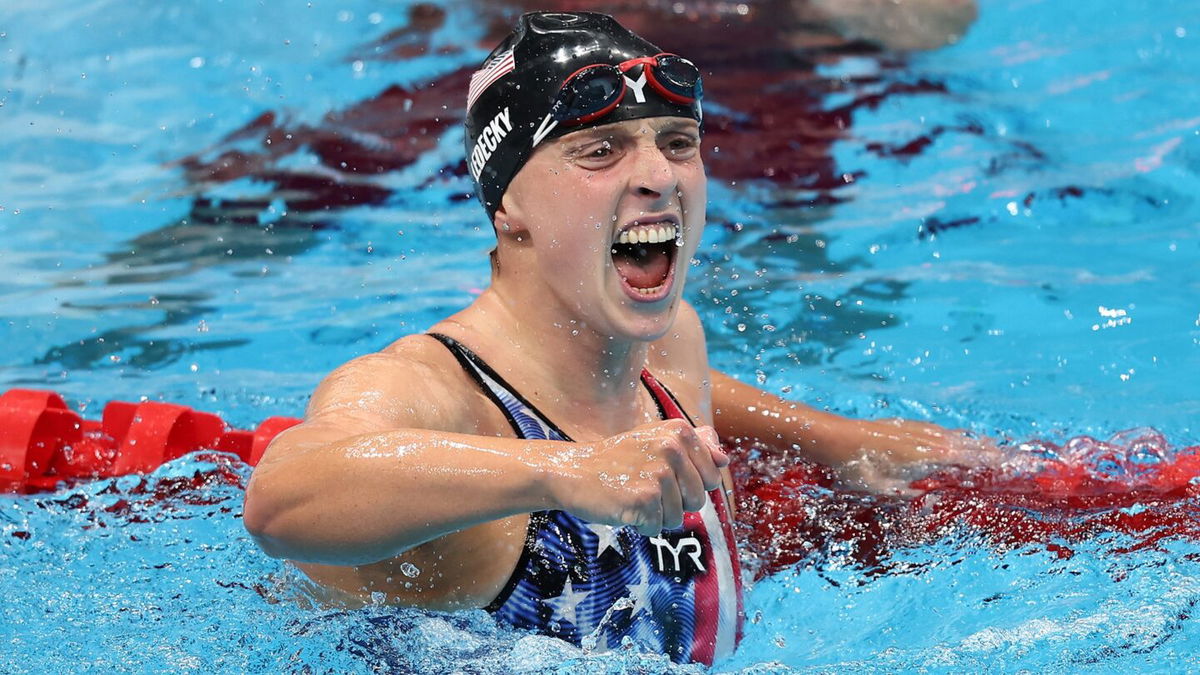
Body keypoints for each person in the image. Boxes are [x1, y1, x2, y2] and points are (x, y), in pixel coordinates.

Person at [242, 11, 988, 665]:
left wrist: (837, 439)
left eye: (677, 141)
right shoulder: (438, 396)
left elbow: (651, 394)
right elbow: (281, 496)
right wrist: (564, 470)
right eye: (600, 151)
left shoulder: (668, 349)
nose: (660, 176)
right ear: (509, 208)